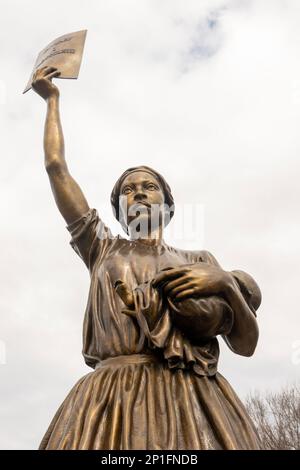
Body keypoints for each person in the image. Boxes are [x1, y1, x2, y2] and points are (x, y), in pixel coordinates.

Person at [32, 66, 262, 450]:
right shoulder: (102, 246)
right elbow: (56, 169)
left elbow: (246, 344)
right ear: (119, 210)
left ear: (168, 206)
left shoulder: (198, 259)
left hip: (192, 398)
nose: (138, 193)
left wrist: (224, 283)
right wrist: (52, 101)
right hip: (111, 399)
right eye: (128, 190)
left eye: (149, 187)